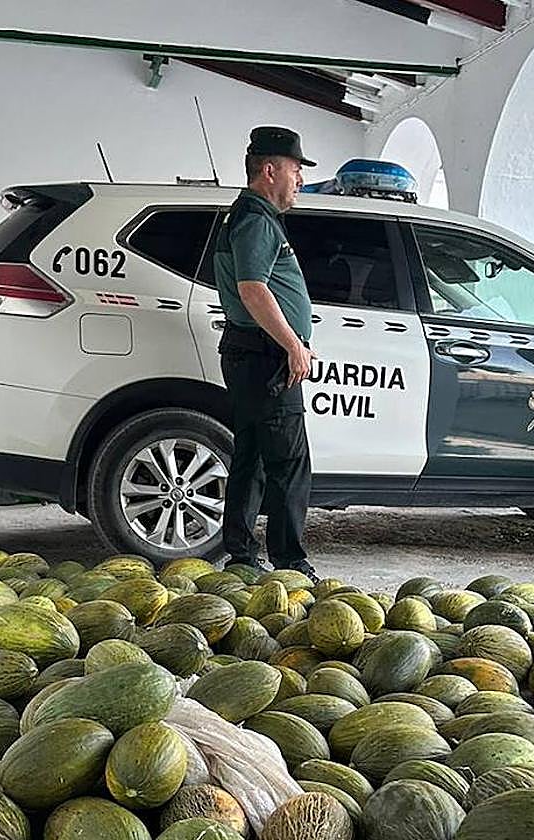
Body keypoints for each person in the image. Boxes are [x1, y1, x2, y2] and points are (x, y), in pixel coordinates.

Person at [213, 126, 320, 581]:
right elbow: (253, 288)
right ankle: (290, 562)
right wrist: (293, 344)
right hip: (265, 357)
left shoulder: (250, 215)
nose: (301, 180)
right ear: (270, 170)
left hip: (251, 354)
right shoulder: (256, 219)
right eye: (296, 170)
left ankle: (241, 555)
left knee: (253, 457)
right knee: (289, 463)